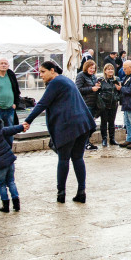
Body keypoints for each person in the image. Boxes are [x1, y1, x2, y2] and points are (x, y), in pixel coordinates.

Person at [23, 61, 95, 203]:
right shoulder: (66, 80)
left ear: (52, 70)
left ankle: (61, 194)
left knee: (63, 159)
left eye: (43, 72)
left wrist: (27, 121)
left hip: (68, 126)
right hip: (82, 124)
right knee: (78, 158)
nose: (41, 75)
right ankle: (81, 192)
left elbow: (43, 103)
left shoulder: (56, 82)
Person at [75, 60, 101, 151]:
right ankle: (84, 143)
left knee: (92, 126)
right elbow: (78, 89)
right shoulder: (81, 75)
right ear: (86, 67)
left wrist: (97, 86)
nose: (92, 70)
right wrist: (91, 88)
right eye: (90, 68)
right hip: (85, 104)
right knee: (88, 125)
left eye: (94, 68)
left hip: (93, 103)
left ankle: (85, 142)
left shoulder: (93, 76)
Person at [94, 63, 122, 146]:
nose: (110, 71)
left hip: (113, 103)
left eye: (112, 69)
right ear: (105, 71)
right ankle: (104, 139)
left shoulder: (116, 79)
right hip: (104, 104)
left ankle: (112, 139)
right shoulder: (101, 80)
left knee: (112, 122)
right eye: (108, 69)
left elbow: (119, 90)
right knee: (104, 122)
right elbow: (97, 92)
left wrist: (117, 98)